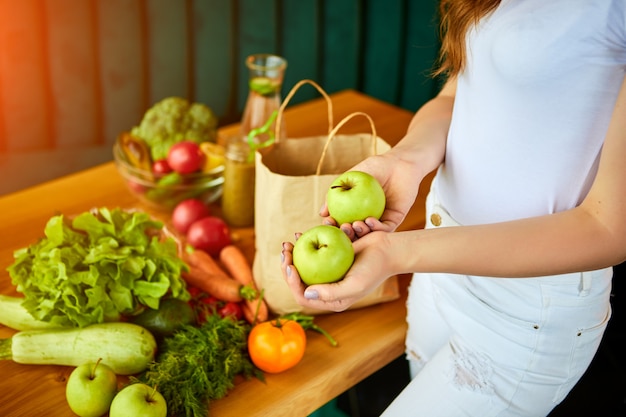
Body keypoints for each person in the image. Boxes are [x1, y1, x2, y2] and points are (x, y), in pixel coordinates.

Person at [280, 0, 626, 415]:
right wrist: (405, 160)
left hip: (525, 310)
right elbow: (456, 95)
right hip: (439, 270)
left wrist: (399, 253)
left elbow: (609, 229)